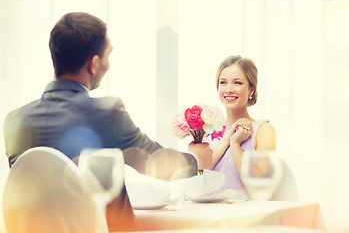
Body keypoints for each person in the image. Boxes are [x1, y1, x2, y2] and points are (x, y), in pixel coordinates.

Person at [3, 12, 210, 231]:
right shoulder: (107, 113)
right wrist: (197, 161)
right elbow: (155, 162)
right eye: (107, 55)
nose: (108, 64)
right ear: (93, 64)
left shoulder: (15, 120)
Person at [202, 55, 276, 200]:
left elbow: (260, 184)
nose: (228, 89)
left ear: (251, 89)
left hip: (245, 216)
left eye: (237, 83)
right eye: (223, 82)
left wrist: (235, 144)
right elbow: (196, 176)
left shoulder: (264, 130)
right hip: (204, 213)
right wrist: (226, 141)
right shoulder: (206, 131)